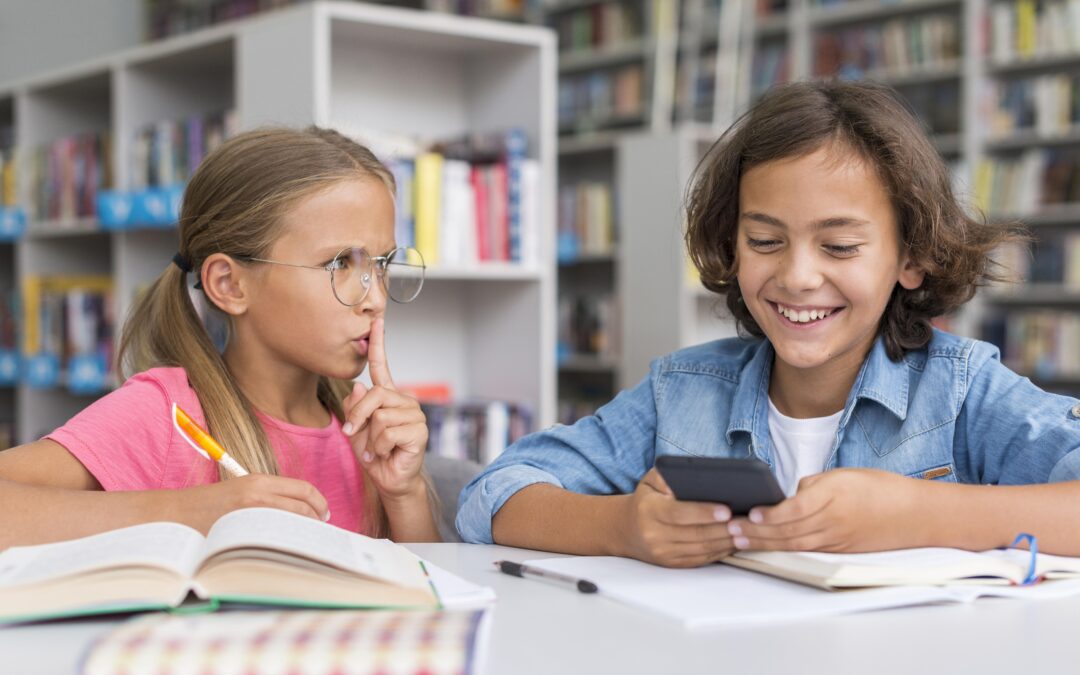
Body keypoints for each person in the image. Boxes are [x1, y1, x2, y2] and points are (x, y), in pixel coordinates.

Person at [458, 80, 1080, 566]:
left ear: (911, 258)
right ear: (732, 245)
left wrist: (919, 513)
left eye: (838, 247)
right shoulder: (683, 391)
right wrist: (623, 527)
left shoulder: (963, 390)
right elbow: (496, 494)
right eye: (764, 240)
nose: (798, 277)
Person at [0, 127, 439, 548]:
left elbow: (435, 597)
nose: (376, 298)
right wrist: (184, 512)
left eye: (381, 264)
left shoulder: (364, 432)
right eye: (341, 264)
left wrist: (405, 493)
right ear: (229, 285)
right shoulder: (166, 415)